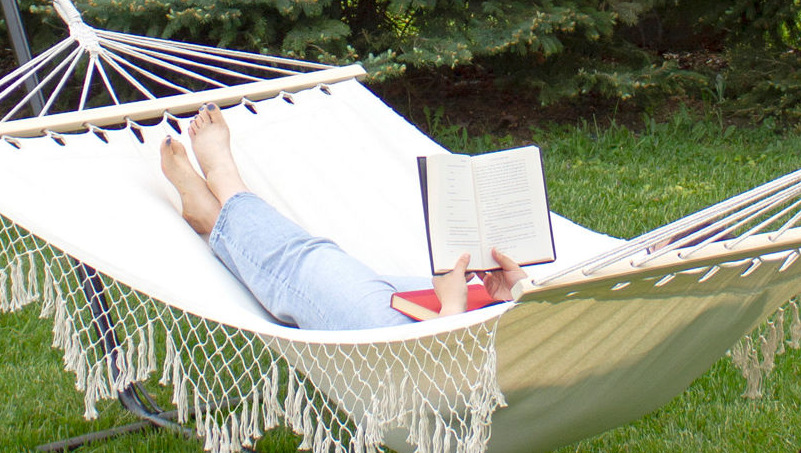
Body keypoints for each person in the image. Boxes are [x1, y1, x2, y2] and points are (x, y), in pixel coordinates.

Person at [159, 103, 527, 331]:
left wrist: (452, 308)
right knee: (361, 280)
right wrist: (517, 295)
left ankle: (225, 183)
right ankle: (214, 217)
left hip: (420, 350)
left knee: (308, 262)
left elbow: (447, 370)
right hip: (489, 319)